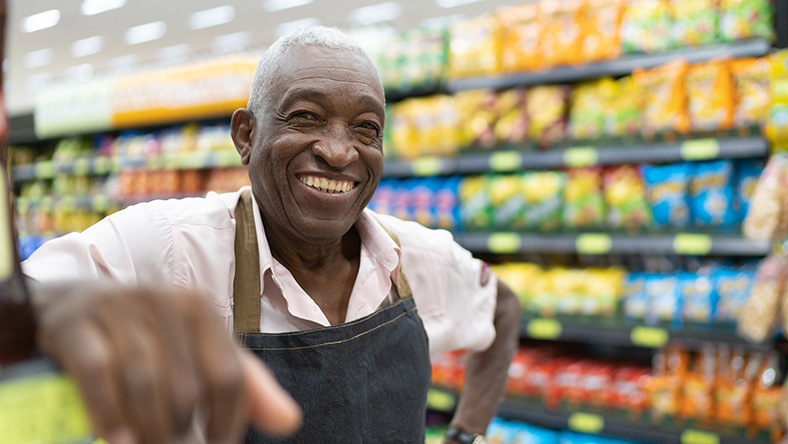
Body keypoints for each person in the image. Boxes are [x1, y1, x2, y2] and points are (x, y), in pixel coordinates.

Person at [23, 26, 521, 444]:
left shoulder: (414, 257)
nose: (339, 151)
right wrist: (45, 314)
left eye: (366, 128)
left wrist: (464, 435)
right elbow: (25, 298)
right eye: (306, 116)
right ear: (246, 135)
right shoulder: (171, 247)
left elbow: (501, 305)